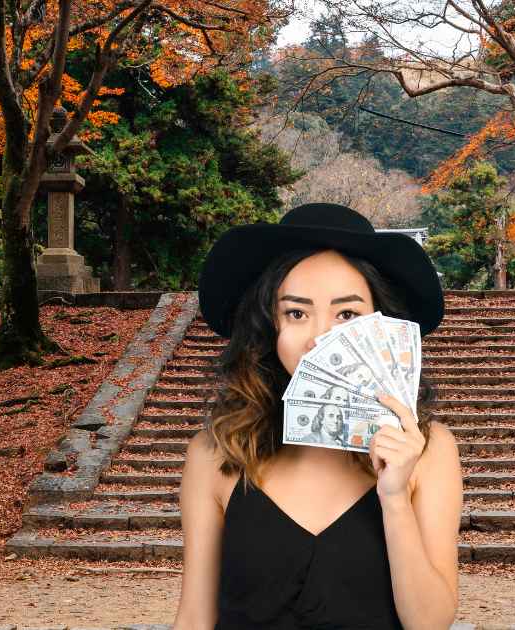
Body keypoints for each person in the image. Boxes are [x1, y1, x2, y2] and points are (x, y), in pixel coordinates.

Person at [173, 202, 463, 629]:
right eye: (296, 312)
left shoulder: (430, 449)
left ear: (382, 329)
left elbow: (431, 623)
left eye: (347, 314)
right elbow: (194, 619)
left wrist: (395, 497)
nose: (321, 338)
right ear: (269, 326)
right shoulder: (215, 452)